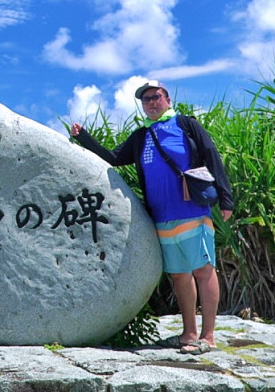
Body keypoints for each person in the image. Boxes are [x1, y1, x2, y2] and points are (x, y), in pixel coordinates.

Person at [70, 81, 233, 354]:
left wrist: (226, 198)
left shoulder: (185, 125)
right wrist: (83, 137)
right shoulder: (142, 135)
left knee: (203, 271)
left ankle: (208, 337)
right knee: (179, 276)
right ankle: (189, 334)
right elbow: (113, 158)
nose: (150, 103)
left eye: (155, 97)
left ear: (167, 99)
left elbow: (211, 155)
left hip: (192, 211)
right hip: (161, 218)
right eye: (145, 100)